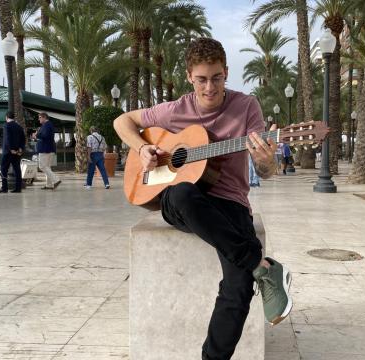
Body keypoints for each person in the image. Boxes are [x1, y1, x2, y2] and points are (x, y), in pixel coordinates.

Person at [114, 37, 294, 360]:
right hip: (181, 202)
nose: (209, 87)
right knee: (183, 191)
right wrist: (142, 148)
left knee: (238, 286)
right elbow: (122, 121)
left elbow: (265, 171)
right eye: (201, 80)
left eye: (216, 78)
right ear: (189, 77)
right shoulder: (175, 110)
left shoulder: (247, 107)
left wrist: (267, 160)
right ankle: (258, 261)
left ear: (226, 73)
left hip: (230, 203)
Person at [0, 111, 26, 193]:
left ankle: (4, 188)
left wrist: (11, 149)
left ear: (6, 117)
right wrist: (20, 148)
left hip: (8, 152)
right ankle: (18, 188)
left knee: (3, 169)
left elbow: (7, 138)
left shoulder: (6, 125)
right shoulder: (19, 127)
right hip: (17, 152)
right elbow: (23, 139)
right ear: (14, 117)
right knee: (17, 169)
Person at [33, 112, 61, 190]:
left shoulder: (47, 125)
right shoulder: (47, 125)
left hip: (45, 149)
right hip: (48, 148)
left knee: (42, 166)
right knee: (47, 167)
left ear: (44, 117)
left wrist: (36, 135)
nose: (39, 119)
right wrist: (36, 137)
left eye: (40, 117)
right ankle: (49, 185)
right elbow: (45, 137)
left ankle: (56, 180)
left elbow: (45, 136)